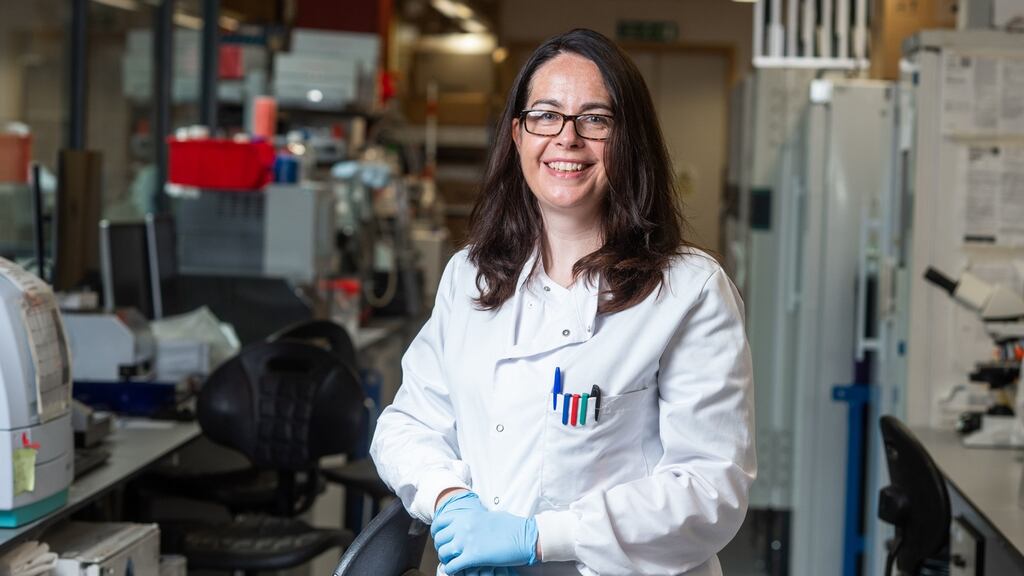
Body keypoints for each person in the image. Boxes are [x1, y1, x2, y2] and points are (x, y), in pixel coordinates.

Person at [370, 28, 755, 576]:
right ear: (518, 134)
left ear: (630, 140)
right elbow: (408, 423)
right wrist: (448, 497)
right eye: (546, 115)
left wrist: (539, 537)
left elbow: (709, 488)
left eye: (595, 119)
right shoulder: (470, 277)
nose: (566, 138)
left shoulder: (688, 291)